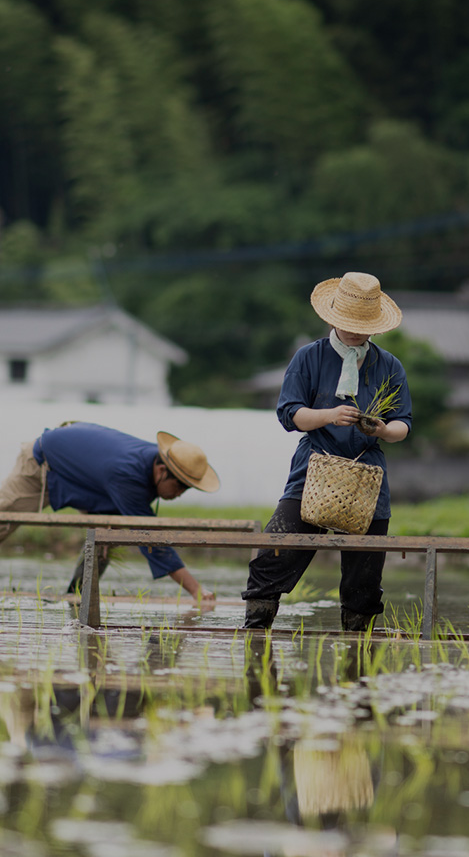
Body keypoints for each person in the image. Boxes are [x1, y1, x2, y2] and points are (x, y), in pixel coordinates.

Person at [241, 271, 412, 632]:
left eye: (362, 325)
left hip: (366, 476)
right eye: (347, 322)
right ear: (332, 317)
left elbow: (403, 425)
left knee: (364, 575)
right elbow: (290, 414)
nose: (353, 331)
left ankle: (357, 646)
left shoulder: (389, 366)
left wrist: (381, 428)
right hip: (313, 469)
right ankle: (256, 631)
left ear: (375, 326)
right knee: (275, 553)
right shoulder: (309, 358)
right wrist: (329, 416)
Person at [0, 422, 220, 600]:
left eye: (187, 487)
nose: (181, 492)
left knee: (105, 536)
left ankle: (76, 597)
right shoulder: (128, 476)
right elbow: (151, 539)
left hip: (90, 479)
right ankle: (76, 597)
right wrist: (196, 590)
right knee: (3, 518)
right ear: (162, 470)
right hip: (45, 462)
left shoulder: (151, 463)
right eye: (180, 485)